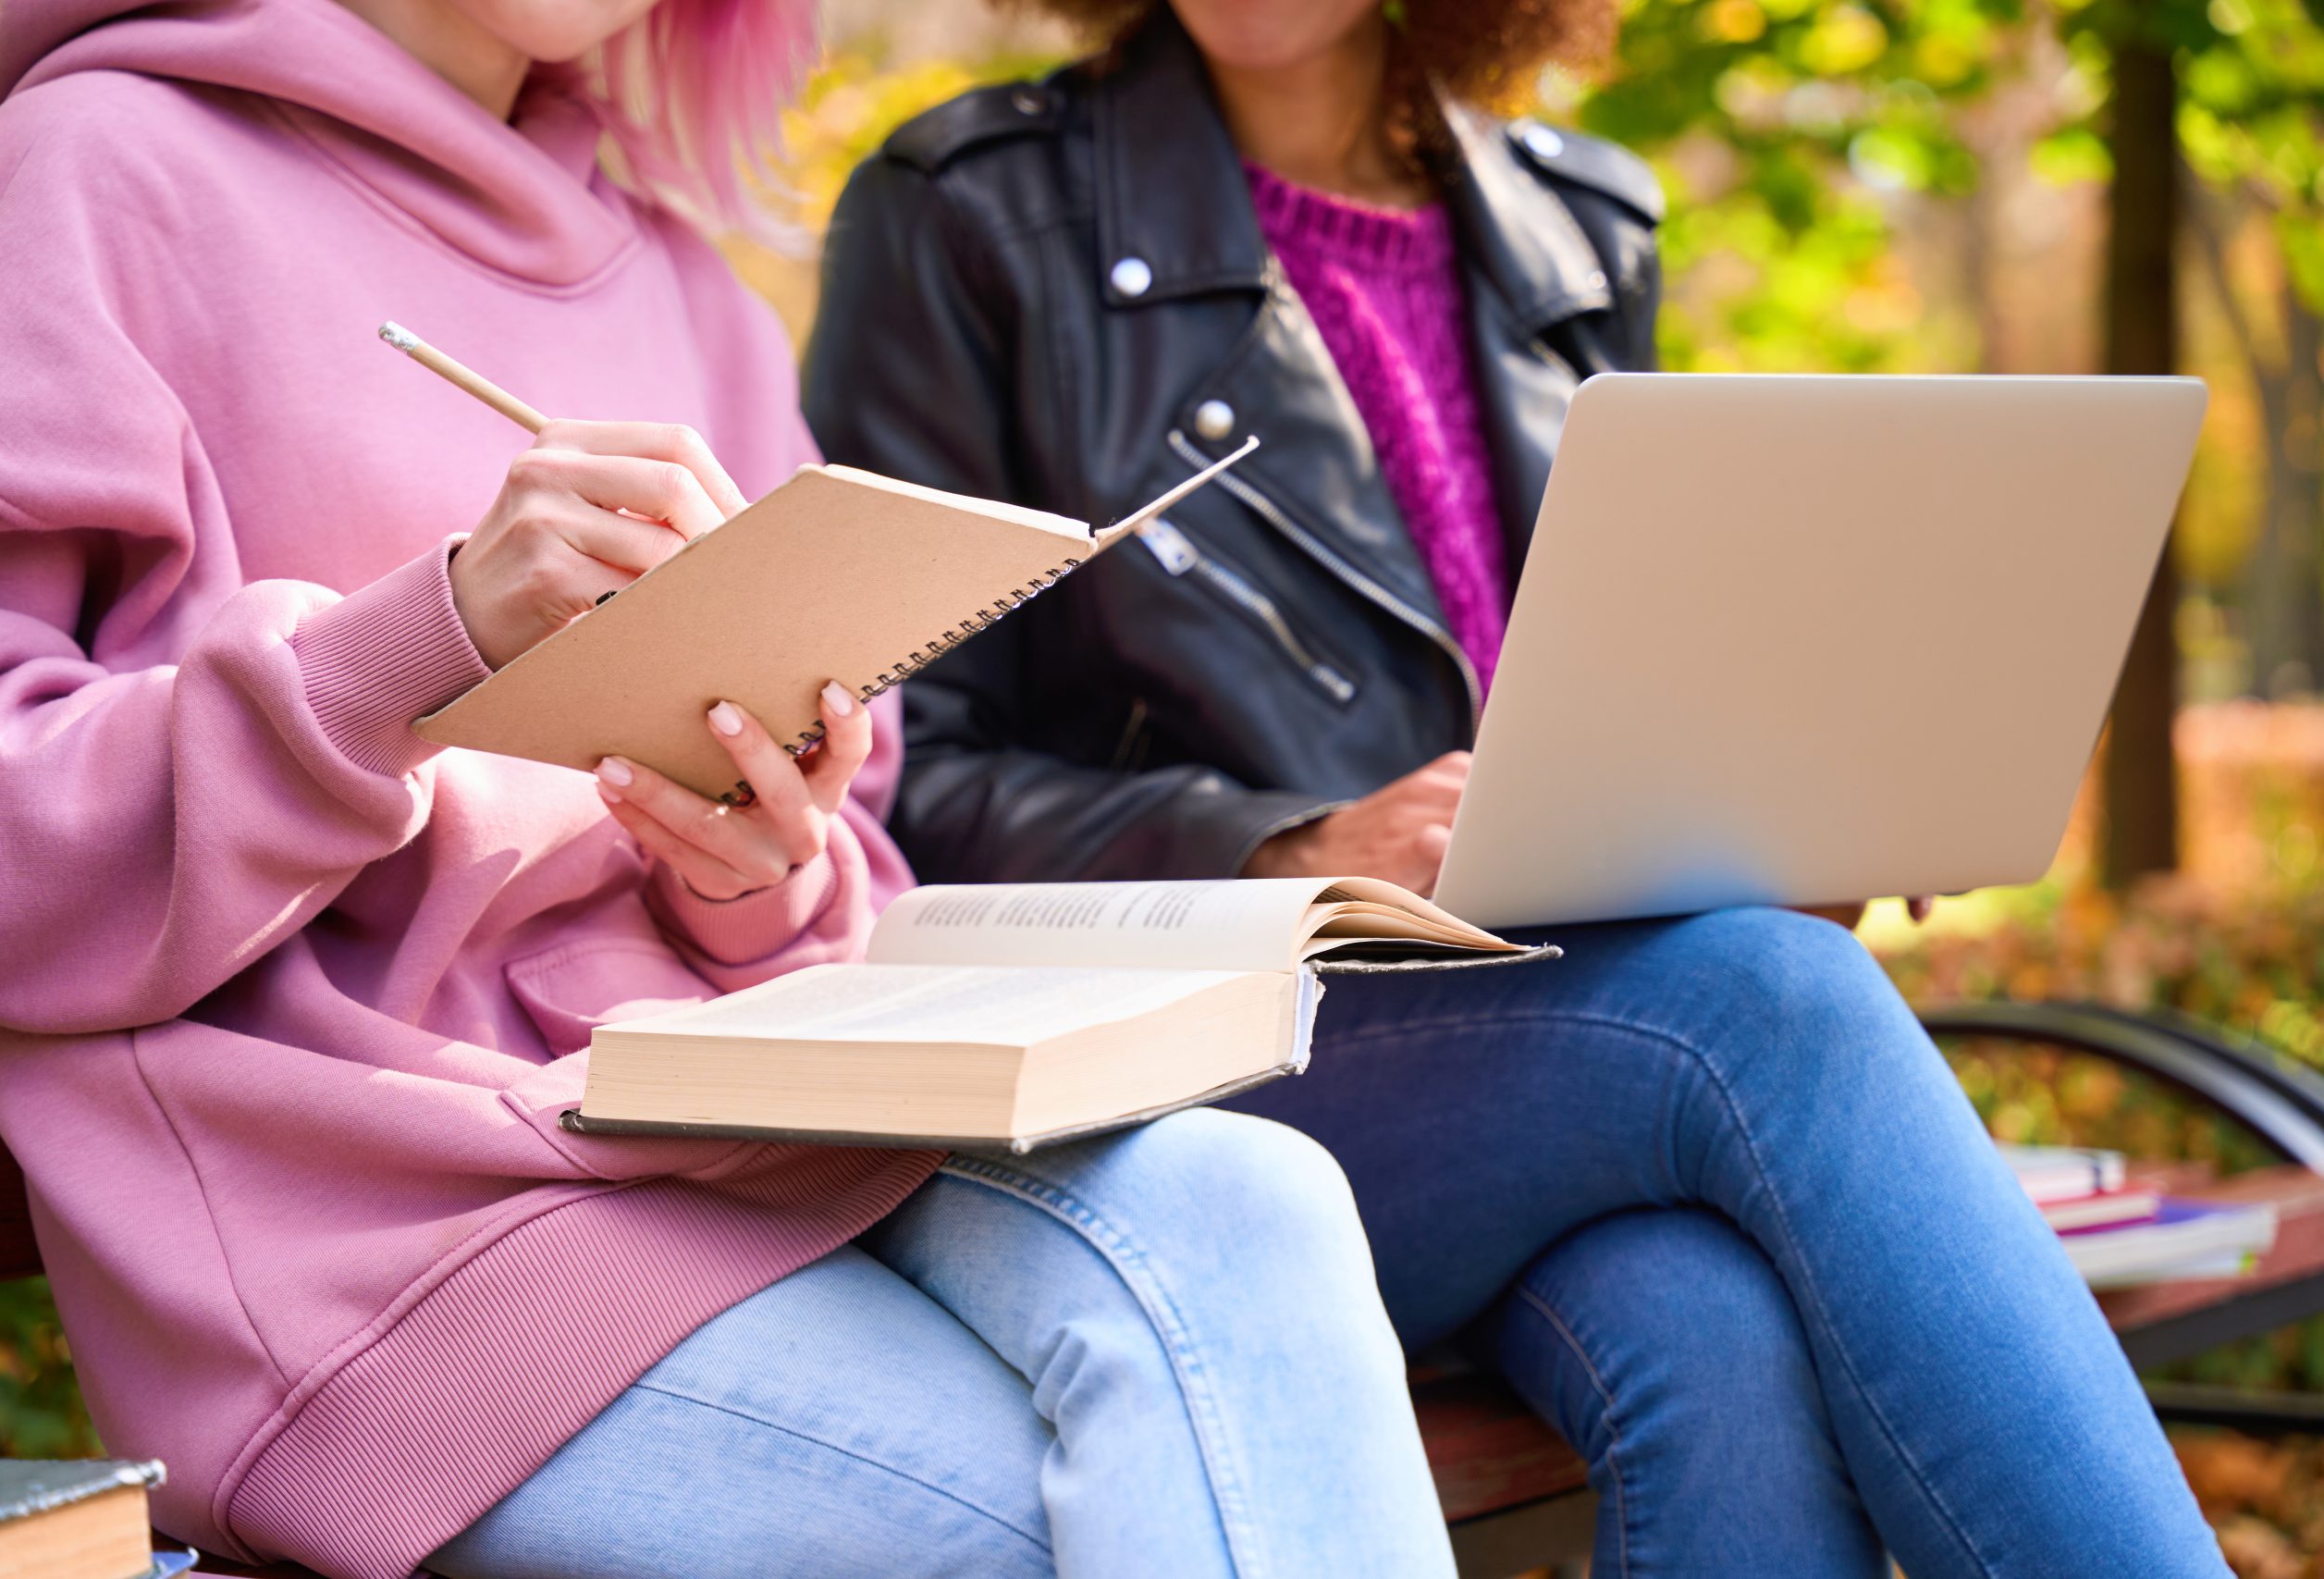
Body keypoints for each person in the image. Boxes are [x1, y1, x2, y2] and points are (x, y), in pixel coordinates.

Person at [0, 1, 1468, 1575]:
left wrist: (753, 867)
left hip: (737, 1121)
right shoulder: (90, 174)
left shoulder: (680, 279)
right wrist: (430, 635)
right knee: (1133, 1514)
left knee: (1256, 1200)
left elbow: (817, 871)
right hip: (381, 1241)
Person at [800, 3, 2233, 1573]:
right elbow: (895, 775)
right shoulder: (964, 207)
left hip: (1548, 1042)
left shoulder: (1581, 224)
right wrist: (1291, 848)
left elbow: (1623, 672)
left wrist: (1774, 805)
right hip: (1198, 1064)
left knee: (1712, 1332)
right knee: (1773, 995)